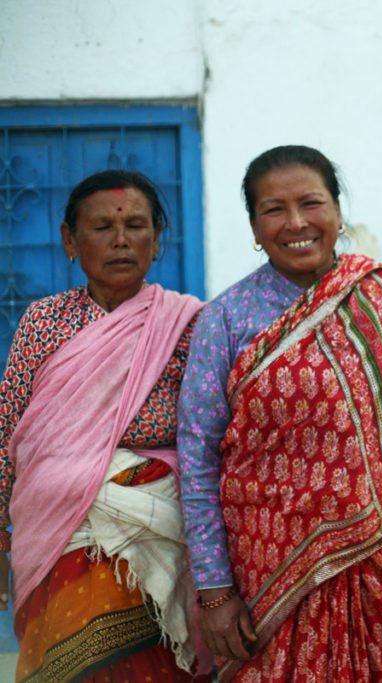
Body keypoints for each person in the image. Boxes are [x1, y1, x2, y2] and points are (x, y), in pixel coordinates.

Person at [177, 145, 382, 682]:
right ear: (254, 226)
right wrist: (215, 591)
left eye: (311, 203)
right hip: (270, 574)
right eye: (273, 210)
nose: (296, 223)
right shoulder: (225, 320)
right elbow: (197, 458)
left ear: (337, 210)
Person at [0, 170, 208, 681]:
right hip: (58, 533)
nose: (120, 240)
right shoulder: (43, 322)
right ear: (70, 239)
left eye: (137, 225)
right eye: (101, 228)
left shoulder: (188, 323)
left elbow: (210, 439)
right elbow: (9, 431)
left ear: (157, 240)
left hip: (154, 528)